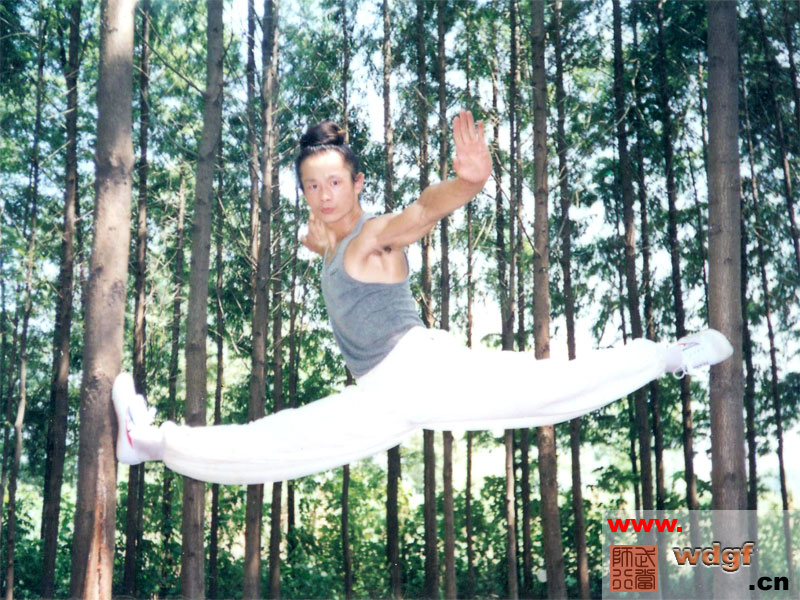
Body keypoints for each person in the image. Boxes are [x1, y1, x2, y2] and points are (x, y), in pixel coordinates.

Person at [112, 110, 733, 485]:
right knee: (277, 443)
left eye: (335, 183)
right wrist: (312, 236)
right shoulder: (324, 238)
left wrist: (467, 183)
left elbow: (419, 213)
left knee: (545, 387)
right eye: (312, 186)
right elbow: (313, 236)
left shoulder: (373, 235)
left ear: (358, 183)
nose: (324, 196)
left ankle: (673, 355)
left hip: (420, 369)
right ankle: (148, 443)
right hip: (379, 394)